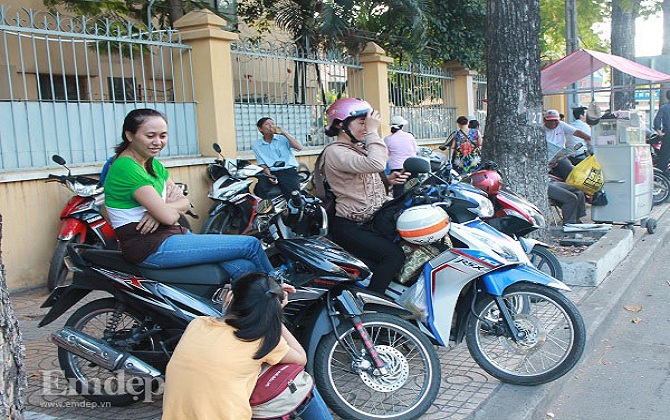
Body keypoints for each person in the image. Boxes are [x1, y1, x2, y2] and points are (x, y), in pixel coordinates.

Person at [104, 108, 273, 279]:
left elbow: (186, 203)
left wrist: (159, 211)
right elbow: (170, 217)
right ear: (130, 135)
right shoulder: (126, 167)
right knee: (250, 245)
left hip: (170, 236)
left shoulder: (152, 164)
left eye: (163, 136)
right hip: (151, 247)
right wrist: (163, 212)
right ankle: (277, 292)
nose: (157, 142)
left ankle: (242, 303)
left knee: (244, 267)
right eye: (150, 136)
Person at [162, 272, 333, 420]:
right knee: (295, 377)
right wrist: (276, 317)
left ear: (229, 297)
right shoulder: (259, 339)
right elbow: (300, 359)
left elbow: (225, 330)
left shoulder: (198, 324)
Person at [321, 98, 408, 294]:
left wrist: (388, 180)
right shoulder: (335, 152)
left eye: (366, 123)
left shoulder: (354, 149)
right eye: (361, 123)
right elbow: (376, 163)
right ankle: (373, 306)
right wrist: (373, 132)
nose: (366, 127)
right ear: (341, 125)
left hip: (371, 220)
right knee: (393, 256)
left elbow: (367, 175)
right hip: (351, 226)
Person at [252, 117, 303, 199]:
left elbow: (299, 147)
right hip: (271, 172)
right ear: (260, 128)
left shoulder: (283, 139)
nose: (271, 126)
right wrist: (269, 176)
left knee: (293, 196)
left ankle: (296, 210)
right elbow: (263, 164)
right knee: (259, 189)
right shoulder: (257, 145)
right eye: (267, 124)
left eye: (272, 124)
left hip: (287, 171)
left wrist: (284, 133)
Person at [543, 109, 592, 179]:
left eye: (555, 120)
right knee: (571, 173)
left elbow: (576, 132)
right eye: (550, 121)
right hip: (546, 158)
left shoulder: (561, 125)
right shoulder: (540, 130)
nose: (553, 123)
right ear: (544, 120)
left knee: (571, 172)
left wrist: (591, 138)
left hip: (560, 156)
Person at [384, 115, 418, 197]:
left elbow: (386, 154)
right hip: (411, 166)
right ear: (402, 126)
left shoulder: (387, 139)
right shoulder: (410, 136)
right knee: (414, 190)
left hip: (396, 169)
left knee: (398, 192)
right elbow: (415, 150)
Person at [653, 90, 670, 173]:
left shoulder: (664, 108)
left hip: (668, 134)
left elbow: (657, 121)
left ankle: (661, 175)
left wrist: (659, 132)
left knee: (664, 156)